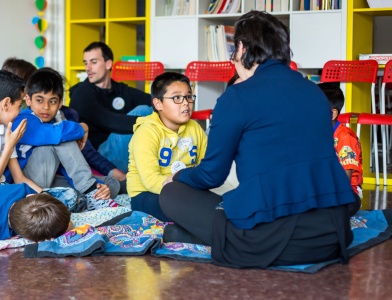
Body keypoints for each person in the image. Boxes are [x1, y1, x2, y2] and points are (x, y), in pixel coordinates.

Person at [159, 11, 356, 269]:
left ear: (241, 48)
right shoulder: (314, 92)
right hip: (331, 237)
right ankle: (202, 235)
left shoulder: (237, 97)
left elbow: (211, 176)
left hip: (270, 242)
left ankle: (208, 237)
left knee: (172, 193)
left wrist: (178, 176)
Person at [10, 68, 121, 210]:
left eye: (52, 101)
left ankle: (90, 195)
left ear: (60, 103)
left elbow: (67, 166)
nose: (46, 107)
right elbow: (57, 134)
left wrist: (97, 185)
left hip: (48, 182)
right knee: (61, 137)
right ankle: (88, 193)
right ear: (28, 99)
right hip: (26, 185)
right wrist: (83, 127)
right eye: (39, 100)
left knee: (111, 183)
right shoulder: (23, 120)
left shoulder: (53, 122)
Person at [127, 72, 207, 221]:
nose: (185, 103)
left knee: (218, 206)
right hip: (146, 194)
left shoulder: (195, 128)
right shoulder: (146, 132)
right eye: (176, 97)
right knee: (188, 211)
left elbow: (205, 164)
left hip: (185, 190)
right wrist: (185, 188)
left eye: (188, 96)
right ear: (158, 104)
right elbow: (150, 180)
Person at [69, 41, 153, 172]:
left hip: (119, 146)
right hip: (101, 154)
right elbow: (109, 121)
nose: (88, 68)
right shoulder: (82, 94)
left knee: (153, 108)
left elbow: (153, 100)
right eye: (86, 63)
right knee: (143, 112)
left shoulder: (119, 89)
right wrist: (151, 122)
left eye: (93, 62)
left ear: (108, 64)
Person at [319, 82, 363, 215]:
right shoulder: (316, 133)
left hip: (347, 192)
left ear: (332, 114)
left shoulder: (345, 137)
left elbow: (345, 180)